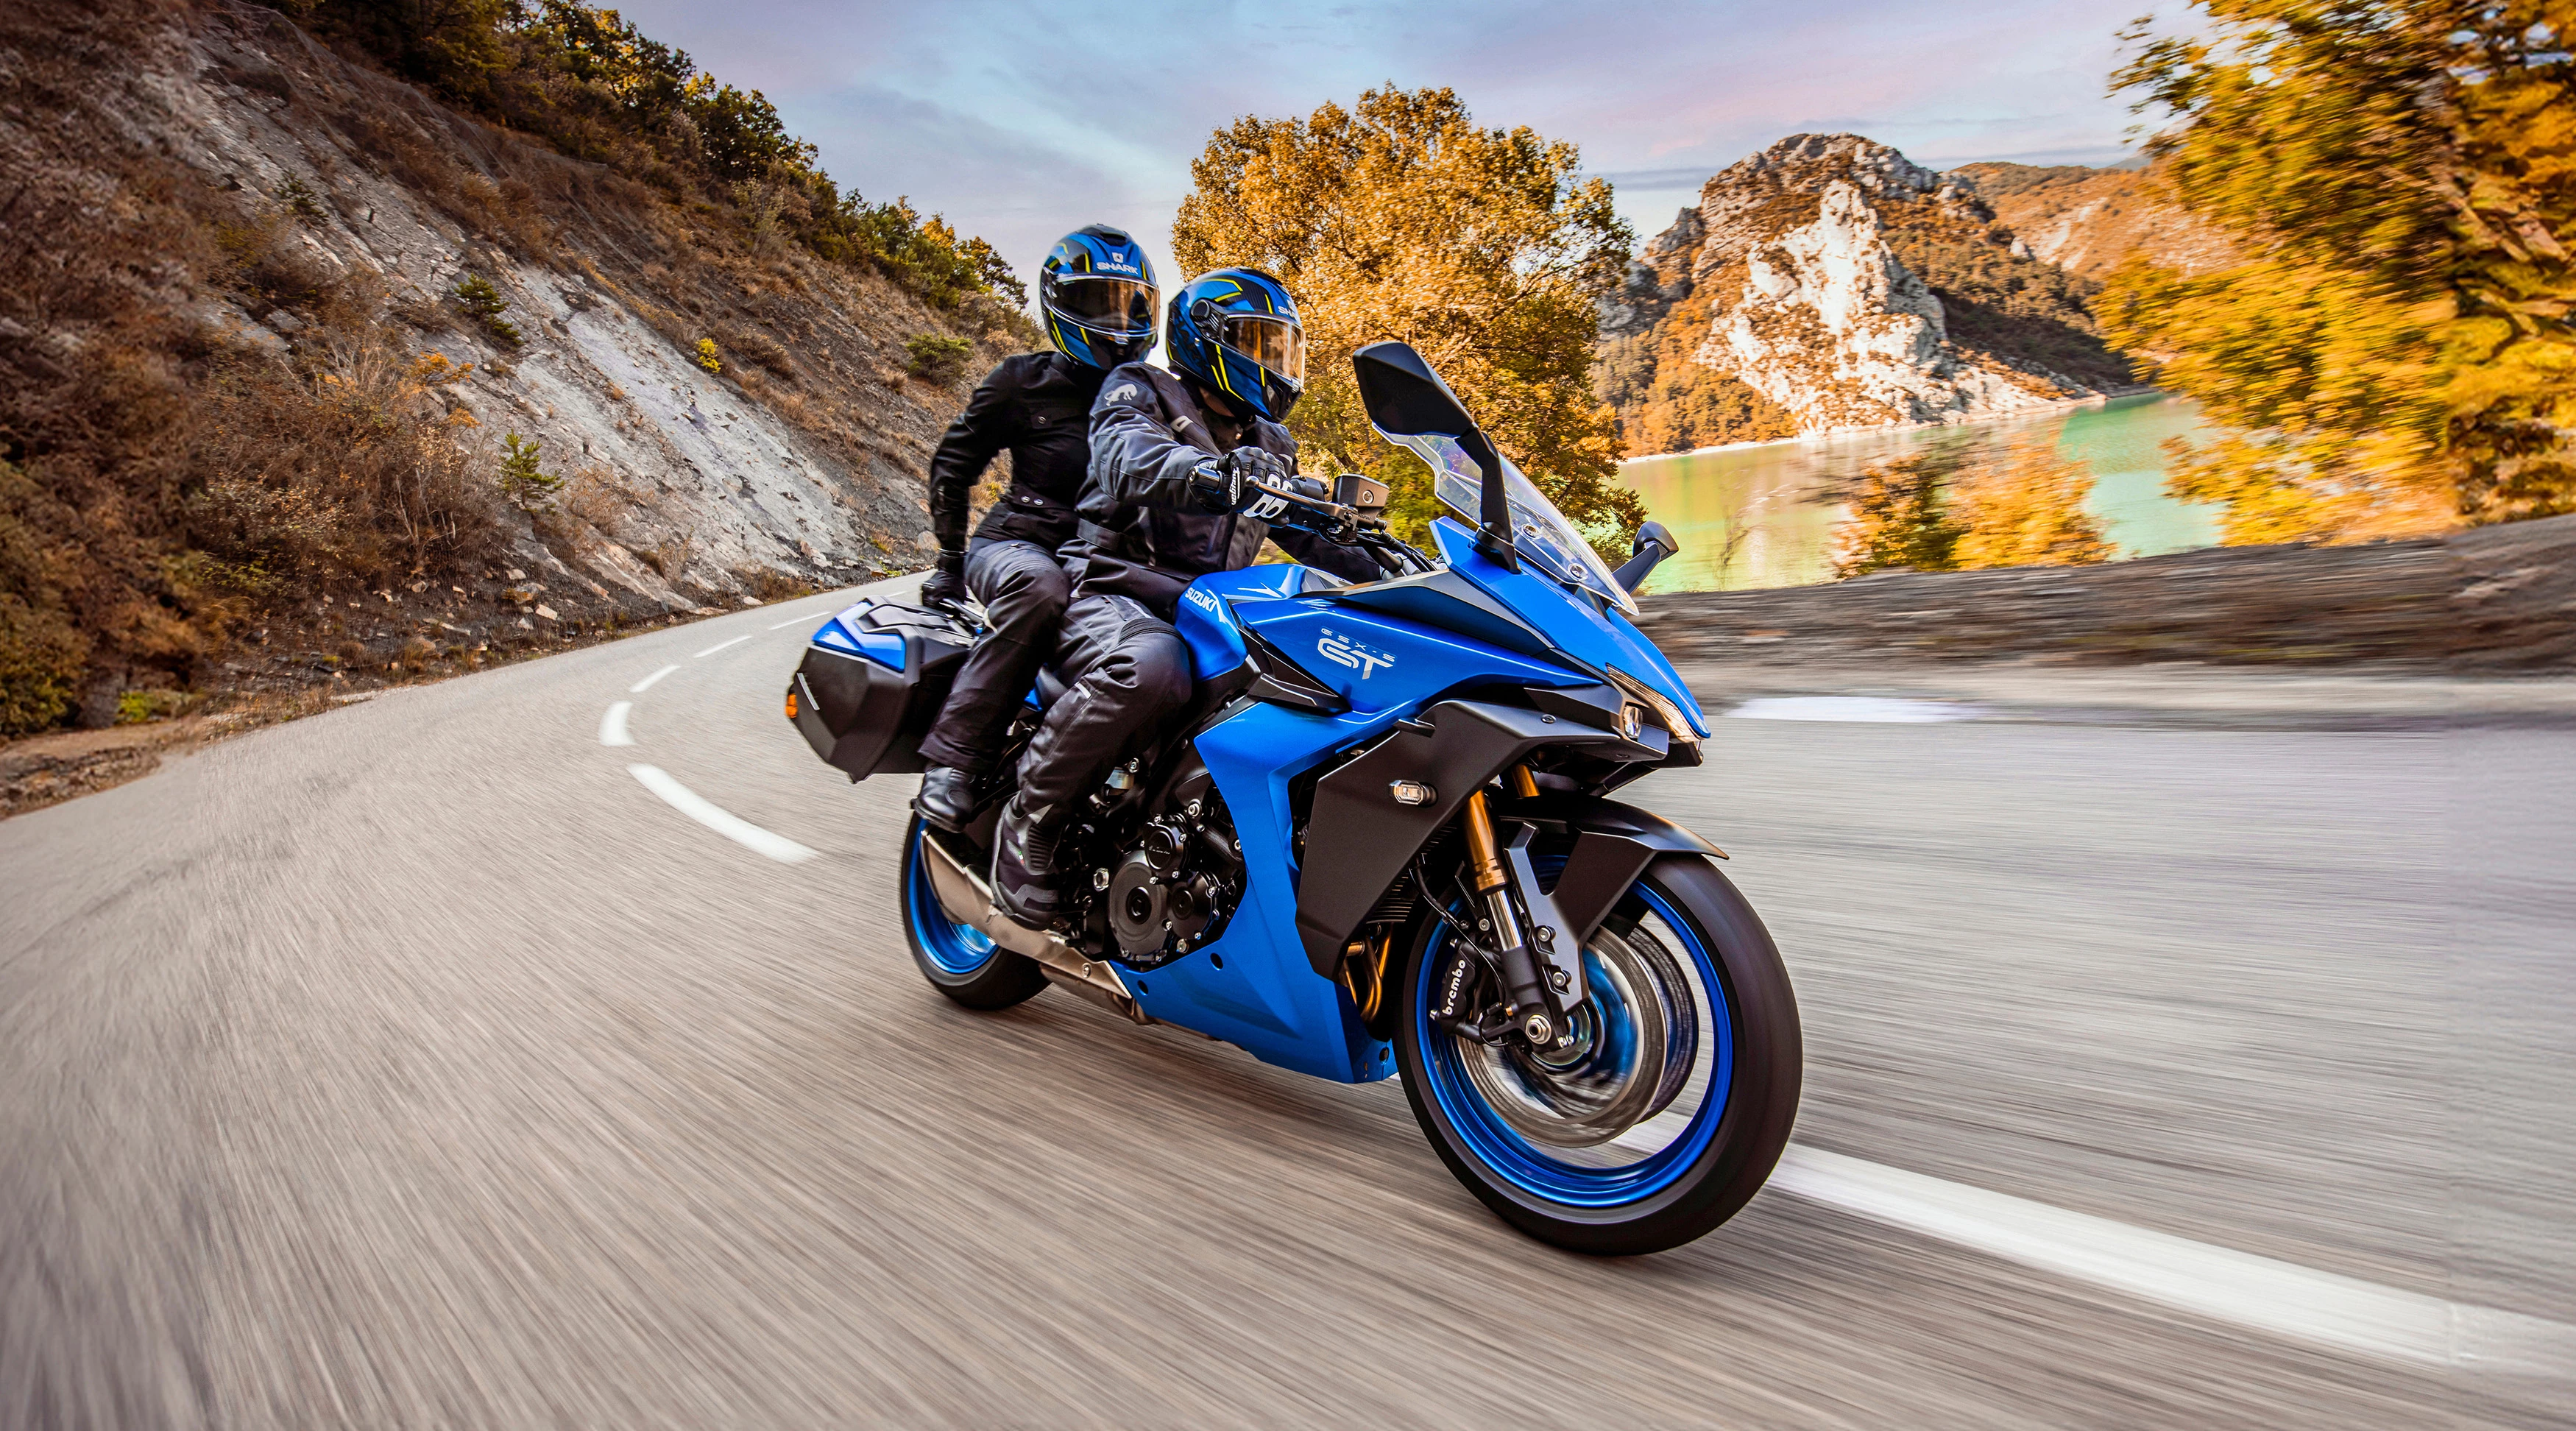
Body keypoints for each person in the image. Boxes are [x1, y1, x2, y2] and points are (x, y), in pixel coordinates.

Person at [991, 268, 1379, 927]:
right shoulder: (1138, 391)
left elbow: (1304, 528)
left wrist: (1398, 565)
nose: (1271, 363)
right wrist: (1208, 475)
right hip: (1113, 591)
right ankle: (1028, 826)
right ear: (1206, 341)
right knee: (1152, 667)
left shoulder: (1266, 442)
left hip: (1208, 612)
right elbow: (1127, 457)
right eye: (1256, 343)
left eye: (1280, 348)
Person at [913, 225, 1160, 831]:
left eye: (1130, 303)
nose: (1117, 319)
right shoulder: (1021, 380)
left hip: (1101, 563)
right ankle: (953, 760)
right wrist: (948, 562)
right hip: (1019, 546)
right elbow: (953, 466)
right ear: (1060, 304)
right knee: (1038, 587)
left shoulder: (1153, 399)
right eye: (1100, 301)